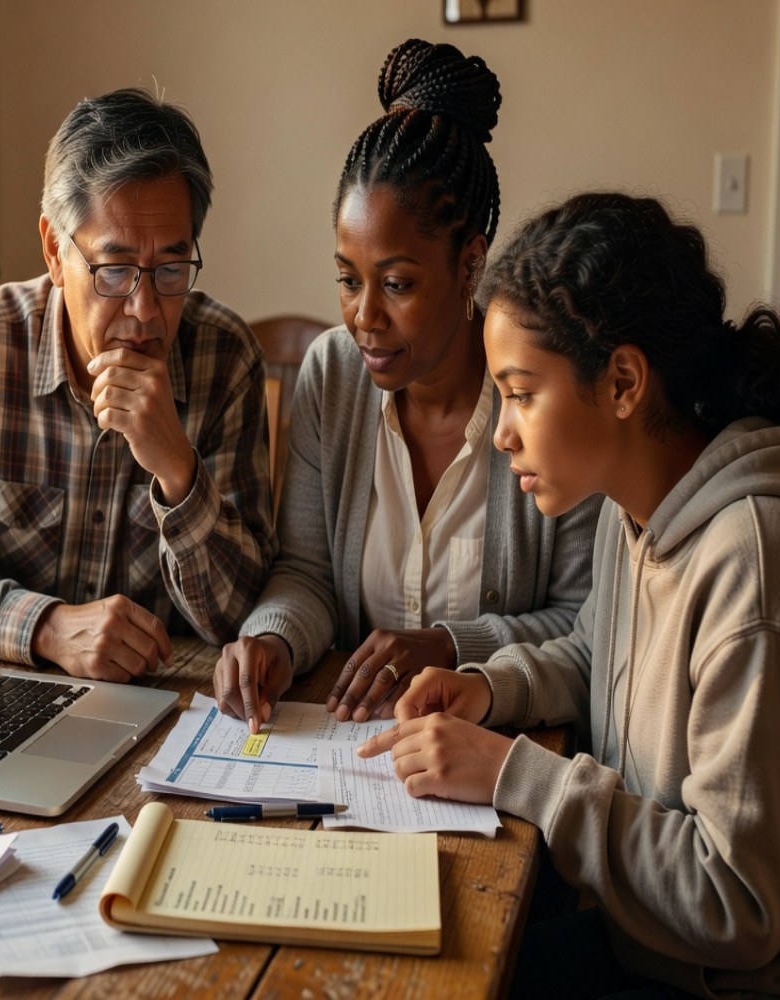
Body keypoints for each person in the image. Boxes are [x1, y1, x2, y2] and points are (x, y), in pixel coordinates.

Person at [360, 192, 780, 997]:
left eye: (522, 393)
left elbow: (739, 904)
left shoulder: (761, 569)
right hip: (660, 949)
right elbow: (597, 651)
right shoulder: (638, 515)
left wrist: (513, 775)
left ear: (622, 381)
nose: (501, 432)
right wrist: (489, 690)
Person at [213, 39, 597, 733]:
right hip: (357, 749)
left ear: (470, 263)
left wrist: (450, 646)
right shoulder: (331, 376)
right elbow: (306, 573)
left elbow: (580, 620)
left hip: (496, 752)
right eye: (347, 279)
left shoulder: (540, 396)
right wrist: (270, 637)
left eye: (397, 284)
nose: (365, 316)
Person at [0, 87, 275, 681]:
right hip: (11, 696)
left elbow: (238, 618)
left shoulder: (225, 359)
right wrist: (45, 628)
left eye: (171, 269)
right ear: (54, 250)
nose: (146, 309)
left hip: (169, 702)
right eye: (116, 269)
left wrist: (178, 470)